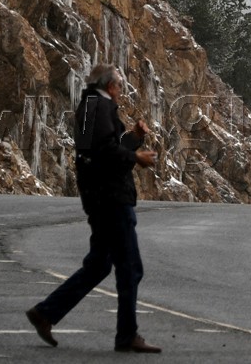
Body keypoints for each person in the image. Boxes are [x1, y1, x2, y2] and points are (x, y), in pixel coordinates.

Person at [26, 63, 162, 353]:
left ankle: (46, 313)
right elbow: (104, 153)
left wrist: (133, 139)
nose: (121, 93)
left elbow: (99, 149)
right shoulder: (98, 107)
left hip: (99, 198)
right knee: (130, 268)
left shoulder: (90, 106)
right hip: (111, 199)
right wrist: (136, 157)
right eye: (120, 87)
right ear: (111, 86)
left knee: (99, 265)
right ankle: (127, 335)